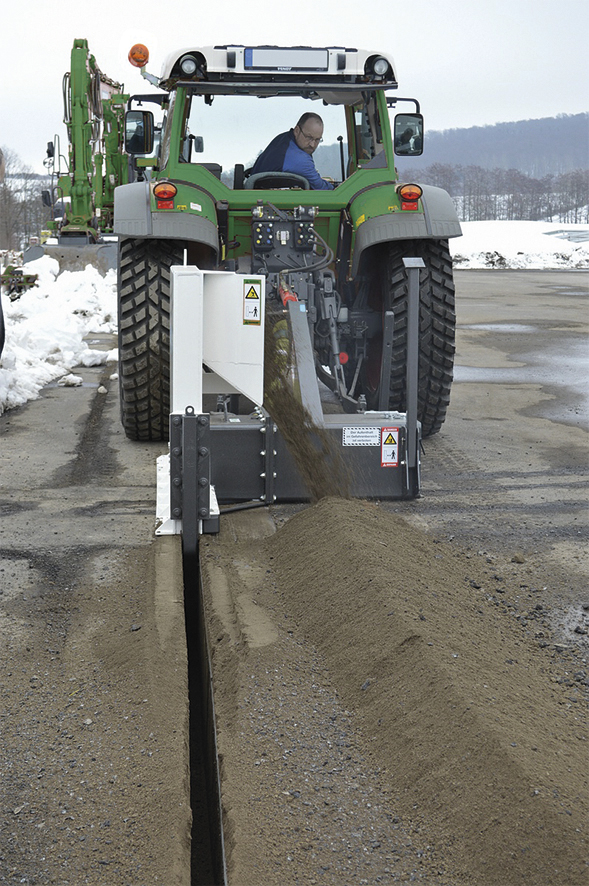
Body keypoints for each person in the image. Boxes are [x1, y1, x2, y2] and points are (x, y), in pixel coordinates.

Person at [250, 113, 334, 190]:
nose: (312, 144)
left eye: (317, 140)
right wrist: (335, 187)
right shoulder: (301, 159)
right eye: (309, 137)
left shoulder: (282, 139)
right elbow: (322, 189)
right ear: (297, 130)